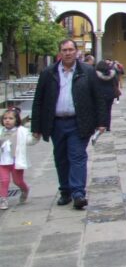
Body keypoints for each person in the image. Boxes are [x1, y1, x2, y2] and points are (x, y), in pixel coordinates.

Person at [30, 38, 106, 210]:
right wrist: (36, 127)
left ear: (76, 51)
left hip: (79, 122)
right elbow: (38, 101)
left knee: (77, 156)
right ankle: (65, 191)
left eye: (71, 49)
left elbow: (98, 98)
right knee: (61, 158)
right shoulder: (48, 73)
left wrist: (102, 122)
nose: (68, 53)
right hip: (56, 123)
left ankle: (78, 193)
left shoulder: (87, 71)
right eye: (65, 50)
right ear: (60, 52)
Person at [0, 107, 35, 210]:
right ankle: (3, 198)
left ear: (16, 120)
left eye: (10, 118)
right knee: (4, 180)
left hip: (16, 160)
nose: (7, 120)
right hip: (2, 161)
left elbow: (29, 141)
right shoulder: (1, 131)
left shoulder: (22, 131)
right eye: (5, 118)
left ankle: (25, 189)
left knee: (17, 181)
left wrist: (35, 136)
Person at [94, 59, 120, 130]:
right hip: (110, 93)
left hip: (100, 94)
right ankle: (108, 126)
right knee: (109, 110)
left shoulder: (95, 74)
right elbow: (115, 83)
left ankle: (101, 124)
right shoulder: (112, 74)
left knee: (100, 110)